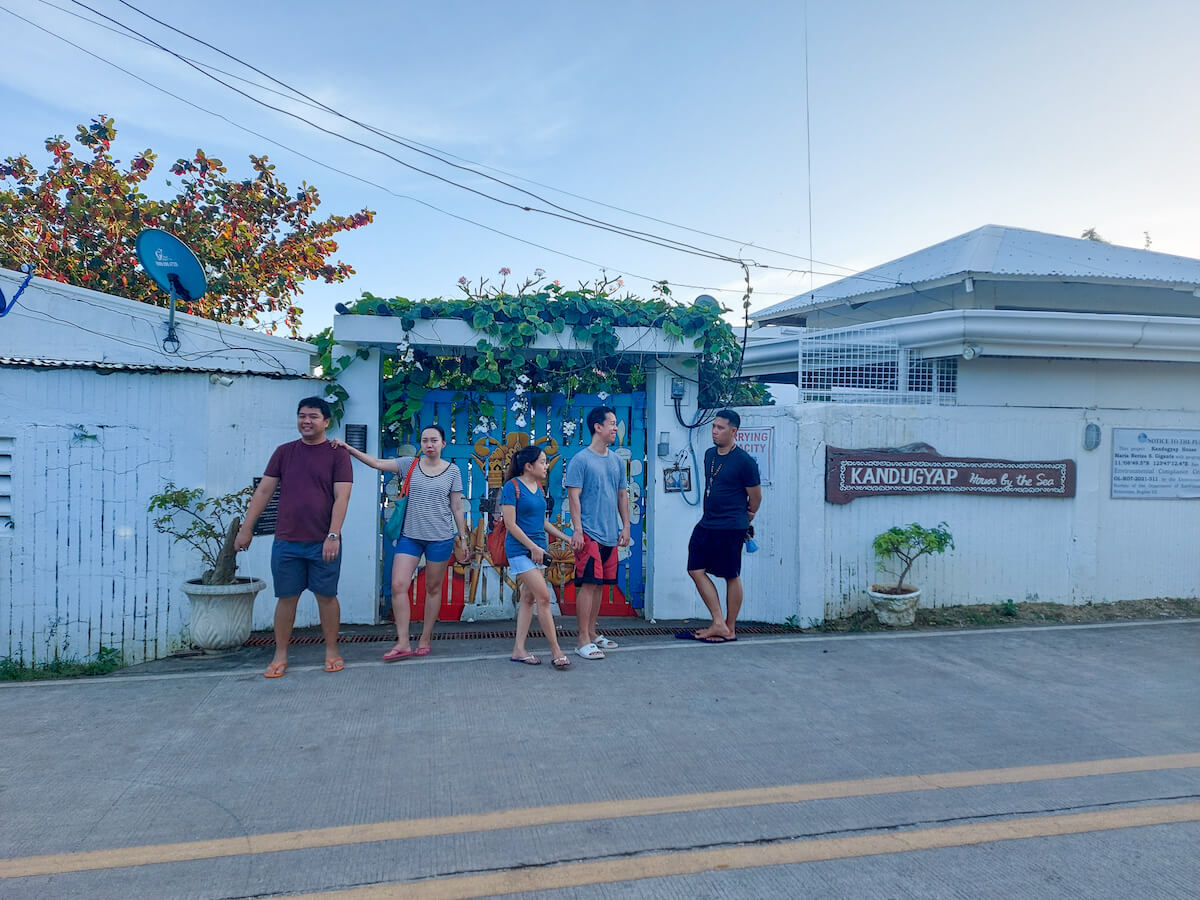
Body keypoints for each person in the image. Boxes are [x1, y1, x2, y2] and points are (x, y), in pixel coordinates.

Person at [236, 397, 353, 678]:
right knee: (286, 597)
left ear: (326, 422)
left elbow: (342, 496)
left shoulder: (337, 455)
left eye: (313, 416)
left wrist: (333, 534)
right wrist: (246, 528)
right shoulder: (284, 452)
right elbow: (264, 492)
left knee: (326, 596)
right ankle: (280, 654)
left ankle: (332, 650)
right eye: (302, 416)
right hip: (287, 541)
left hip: (323, 541)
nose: (306, 421)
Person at [332, 425, 469, 661]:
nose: (429, 445)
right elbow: (376, 463)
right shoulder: (409, 465)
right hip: (410, 536)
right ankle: (403, 641)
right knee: (398, 585)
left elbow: (456, 507)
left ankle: (425, 638)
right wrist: (348, 448)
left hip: (440, 538)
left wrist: (463, 538)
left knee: (433, 589)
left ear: (443, 444)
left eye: (434, 440)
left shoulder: (453, 471)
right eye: (425, 440)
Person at [680, 408, 762, 643]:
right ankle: (718, 622)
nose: (715, 431)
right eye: (714, 427)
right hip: (708, 523)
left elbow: (755, 497)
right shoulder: (709, 455)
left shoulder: (745, 461)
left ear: (733, 431)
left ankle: (730, 628)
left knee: (730, 575)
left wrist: (749, 515)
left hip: (731, 525)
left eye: (720, 428)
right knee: (695, 569)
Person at [564, 406, 631, 660]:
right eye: (611, 423)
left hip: (609, 533)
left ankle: (592, 634)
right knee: (588, 585)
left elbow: (622, 495)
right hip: (589, 532)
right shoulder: (581, 459)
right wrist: (578, 531)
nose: (615, 428)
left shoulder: (615, 460)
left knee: (601, 585)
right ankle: (581, 639)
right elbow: (574, 497)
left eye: (616, 423)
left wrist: (625, 526)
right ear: (597, 427)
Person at [499, 445, 572, 670]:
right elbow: (510, 524)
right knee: (543, 597)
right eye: (542, 461)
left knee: (529, 599)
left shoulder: (538, 488)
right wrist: (532, 548)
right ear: (528, 466)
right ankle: (556, 651)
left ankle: (518, 650)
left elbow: (542, 522)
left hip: (538, 551)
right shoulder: (511, 488)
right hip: (521, 551)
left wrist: (565, 538)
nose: (546, 465)